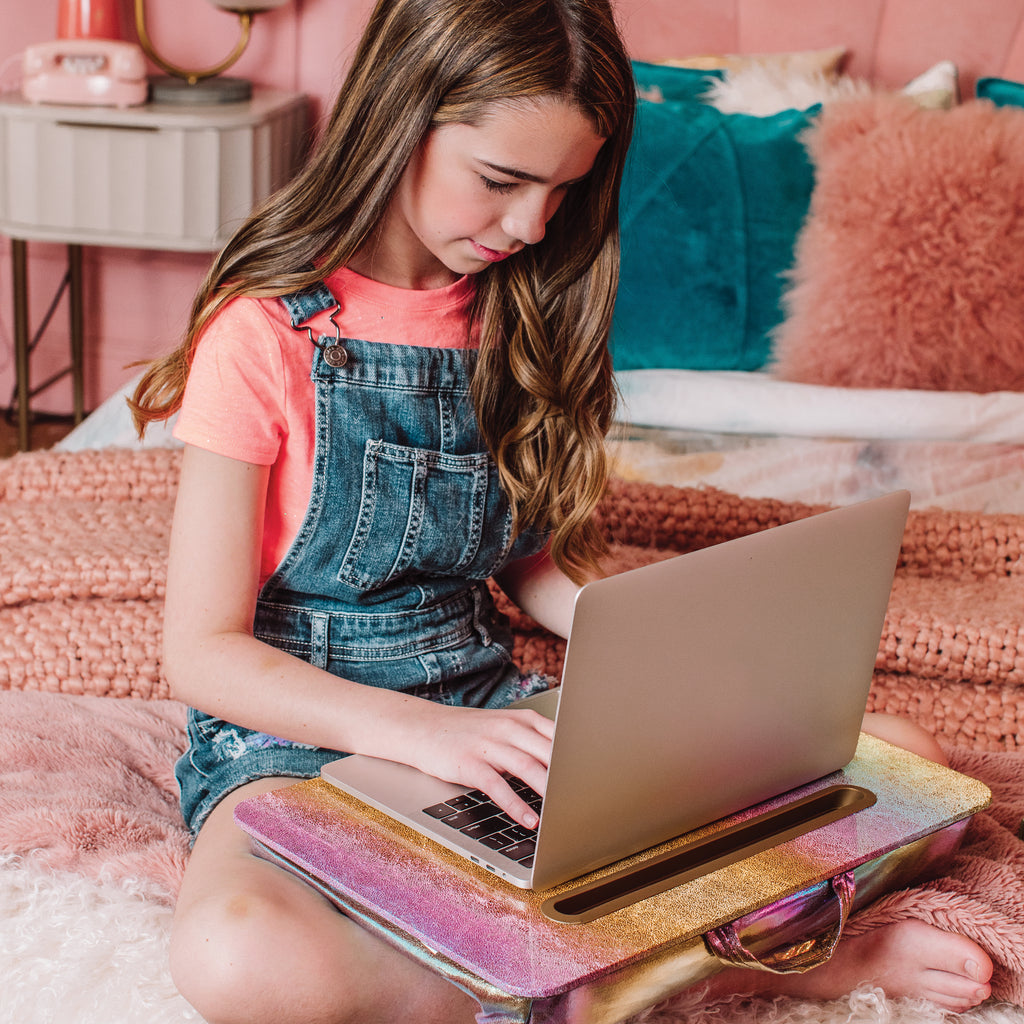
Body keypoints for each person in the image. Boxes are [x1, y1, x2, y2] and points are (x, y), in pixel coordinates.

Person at [130, 1, 994, 1020]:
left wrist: (647, 638)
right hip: (291, 735)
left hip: (487, 709)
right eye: (501, 181)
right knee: (240, 960)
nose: (532, 225)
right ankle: (736, 961)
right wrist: (421, 739)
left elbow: (526, 565)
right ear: (398, 119)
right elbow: (202, 652)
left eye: (563, 190)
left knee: (908, 764)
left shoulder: (515, 312)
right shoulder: (262, 334)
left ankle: (626, 971)